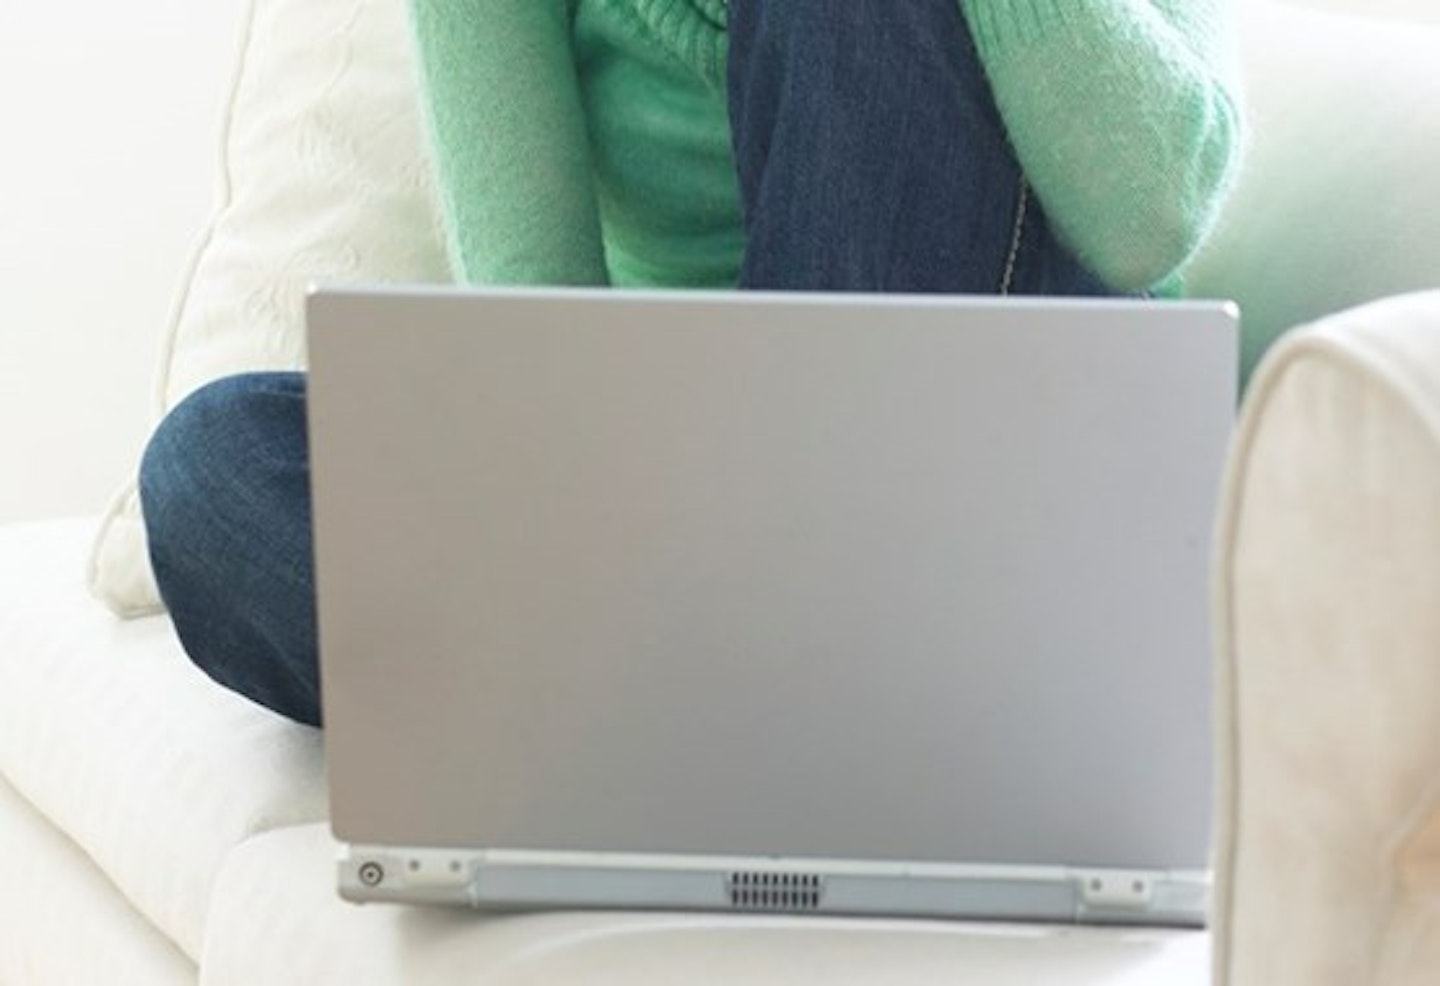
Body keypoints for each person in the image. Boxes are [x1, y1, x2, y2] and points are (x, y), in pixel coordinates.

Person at [140, 0, 1244, 727]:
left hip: (1002, 461)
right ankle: (773, 701)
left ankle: (716, 701)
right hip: (700, 504)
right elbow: (541, 347)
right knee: (216, 469)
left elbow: (1146, 216)